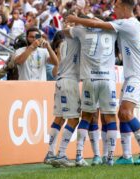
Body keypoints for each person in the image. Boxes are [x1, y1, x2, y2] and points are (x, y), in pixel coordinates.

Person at [66, 0, 140, 165]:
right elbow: (100, 23)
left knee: (126, 113)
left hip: (138, 75)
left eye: (117, 7)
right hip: (132, 75)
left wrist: (75, 19)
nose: (114, 9)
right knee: (121, 114)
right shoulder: (126, 24)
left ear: (125, 8)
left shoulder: (129, 24)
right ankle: (127, 155)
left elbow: (95, 23)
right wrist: (82, 16)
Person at [64, 18, 118, 166]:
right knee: (111, 117)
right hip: (108, 80)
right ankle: (110, 158)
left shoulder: (81, 31)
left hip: (90, 78)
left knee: (86, 116)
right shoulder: (112, 31)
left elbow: (64, 32)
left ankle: (79, 156)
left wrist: (71, 24)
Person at [44, 31, 81, 168]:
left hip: (59, 81)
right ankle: (61, 154)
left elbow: (55, 70)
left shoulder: (62, 45)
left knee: (59, 118)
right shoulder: (78, 42)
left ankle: (50, 153)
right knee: (74, 119)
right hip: (70, 82)